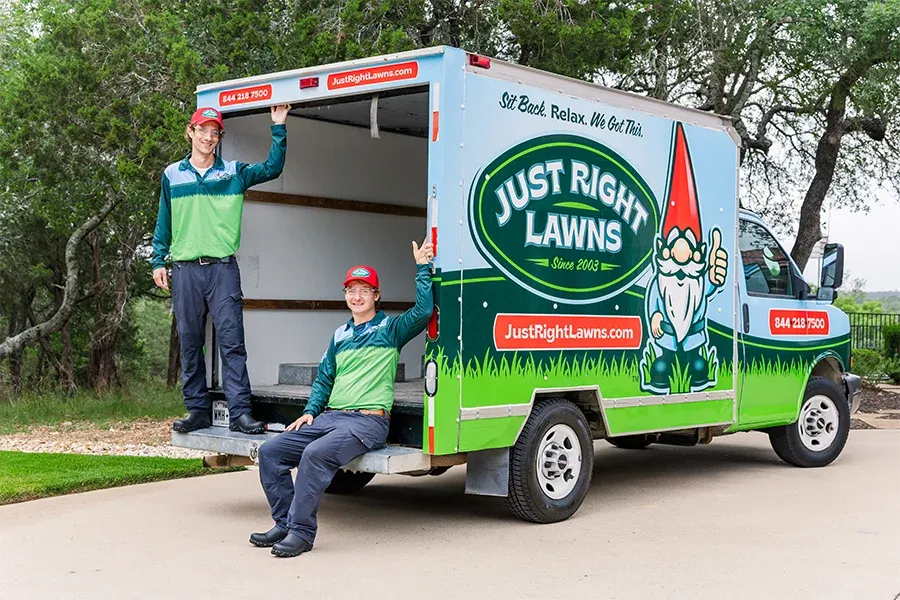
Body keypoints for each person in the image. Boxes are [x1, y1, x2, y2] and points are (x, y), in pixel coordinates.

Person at [250, 238, 434, 557]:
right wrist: (310, 411)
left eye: (365, 289)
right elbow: (325, 377)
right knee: (271, 452)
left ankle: (302, 533)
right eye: (351, 290)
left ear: (376, 296)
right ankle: (284, 523)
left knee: (315, 455)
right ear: (345, 296)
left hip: (367, 422)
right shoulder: (340, 335)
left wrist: (422, 268)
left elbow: (424, 311)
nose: (357, 295)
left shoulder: (391, 329)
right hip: (330, 417)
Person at [151, 104, 292, 435]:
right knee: (189, 341)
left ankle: (240, 413)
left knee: (232, 342)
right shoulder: (173, 175)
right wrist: (159, 260)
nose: (208, 137)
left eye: (214, 133)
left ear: (219, 138)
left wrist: (278, 126)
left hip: (222, 269)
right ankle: (197, 410)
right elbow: (164, 221)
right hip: (185, 270)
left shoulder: (234, 172)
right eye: (203, 130)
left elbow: (273, 167)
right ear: (191, 132)